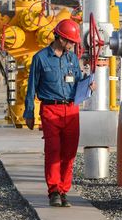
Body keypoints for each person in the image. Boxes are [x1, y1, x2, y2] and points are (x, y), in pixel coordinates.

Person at [24, 18, 93, 208]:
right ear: (61, 39)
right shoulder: (40, 58)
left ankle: (63, 191)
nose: (73, 45)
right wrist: (29, 112)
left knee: (69, 153)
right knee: (53, 150)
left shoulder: (72, 59)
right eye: (71, 41)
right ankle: (54, 190)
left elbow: (77, 81)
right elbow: (31, 87)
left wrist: (88, 85)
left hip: (71, 110)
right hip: (50, 110)